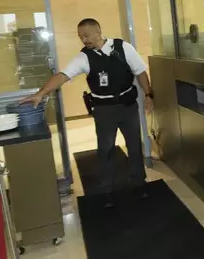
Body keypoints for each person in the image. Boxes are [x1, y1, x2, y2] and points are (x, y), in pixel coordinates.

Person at [21, 18, 154, 208]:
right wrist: (41, 93)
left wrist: (148, 95)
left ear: (98, 32)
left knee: (134, 146)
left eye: (86, 35)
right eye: (80, 37)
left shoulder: (123, 48)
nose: (84, 40)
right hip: (103, 110)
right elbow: (63, 75)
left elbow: (140, 72)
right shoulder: (84, 57)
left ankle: (139, 184)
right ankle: (107, 190)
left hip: (127, 106)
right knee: (105, 150)